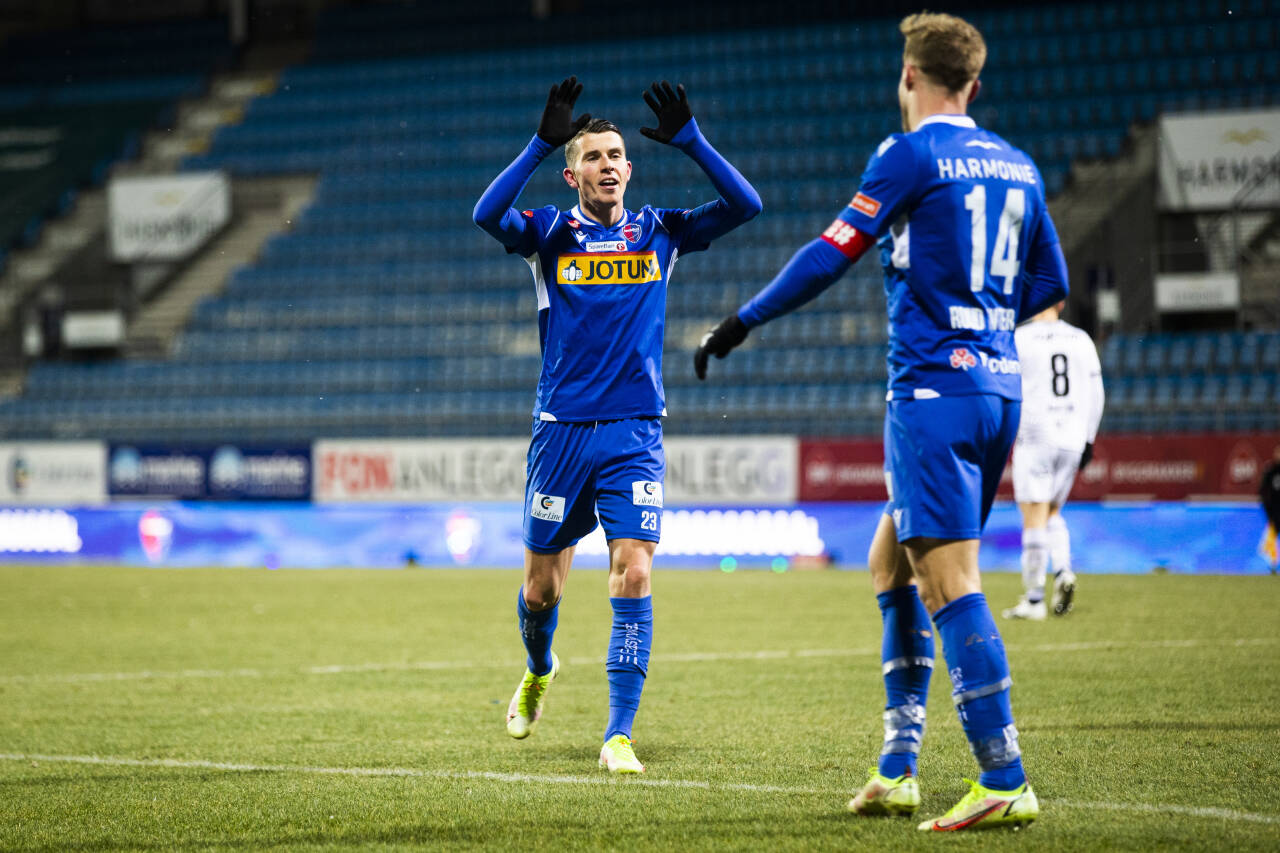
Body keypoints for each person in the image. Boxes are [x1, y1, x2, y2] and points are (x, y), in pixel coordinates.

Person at [694, 12, 1067, 831]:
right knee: (891, 564)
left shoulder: (909, 155)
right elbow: (1050, 279)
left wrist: (741, 321)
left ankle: (1004, 774)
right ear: (976, 85)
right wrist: (981, 313)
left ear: (908, 78)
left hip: (931, 391)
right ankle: (898, 767)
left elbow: (833, 249)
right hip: (999, 388)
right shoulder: (1020, 164)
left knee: (947, 578)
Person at [472, 77, 761, 774]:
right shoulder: (549, 232)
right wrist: (541, 142)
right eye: (592, 156)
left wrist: (691, 140)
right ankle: (540, 665)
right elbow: (486, 214)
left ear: (629, 169)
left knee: (632, 573)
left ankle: (618, 734)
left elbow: (746, 205)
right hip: (561, 432)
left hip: (634, 431)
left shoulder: (662, 231)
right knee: (542, 590)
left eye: (616, 155)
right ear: (573, 174)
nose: (606, 164)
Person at [1003, 301, 1104, 621]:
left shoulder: (1020, 338)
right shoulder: (1081, 339)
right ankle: (1062, 571)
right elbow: (1097, 392)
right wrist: (1089, 439)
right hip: (1072, 438)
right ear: (1062, 303)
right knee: (1051, 512)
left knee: (1033, 515)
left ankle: (1034, 600)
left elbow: (1006, 388)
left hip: (1036, 435)